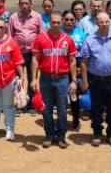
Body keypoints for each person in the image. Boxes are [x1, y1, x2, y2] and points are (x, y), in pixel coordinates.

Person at [79, 12, 111, 149]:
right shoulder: (90, 40)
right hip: (95, 80)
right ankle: (97, 133)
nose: (105, 24)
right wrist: (84, 81)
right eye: (102, 22)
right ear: (97, 23)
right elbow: (84, 62)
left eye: (107, 22)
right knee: (96, 107)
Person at [33, 10, 78, 148]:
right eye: (53, 22)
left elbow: (72, 61)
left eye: (59, 22)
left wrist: (74, 80)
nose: (56, 25)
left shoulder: (68, 40)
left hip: (62, 79)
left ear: (63, 22)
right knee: (46, 109)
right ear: (49, 22)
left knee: (62, 109)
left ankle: (61, 136)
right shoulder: (40, 38)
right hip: (45, 78)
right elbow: (35, 59)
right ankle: (49, 134)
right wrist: (34, 79)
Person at [9, 0, 44, 115]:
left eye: (26, 3)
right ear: (19, 5)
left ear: (31, 4)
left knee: (32, 78)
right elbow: (10, 36)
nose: (24, 5)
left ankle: (30, 105)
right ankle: (19, 104)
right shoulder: (13, 17)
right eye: (22, 3)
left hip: (33, 54)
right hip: (17, 54)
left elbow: (41, 35)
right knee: (18, 80)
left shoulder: (37, 17)